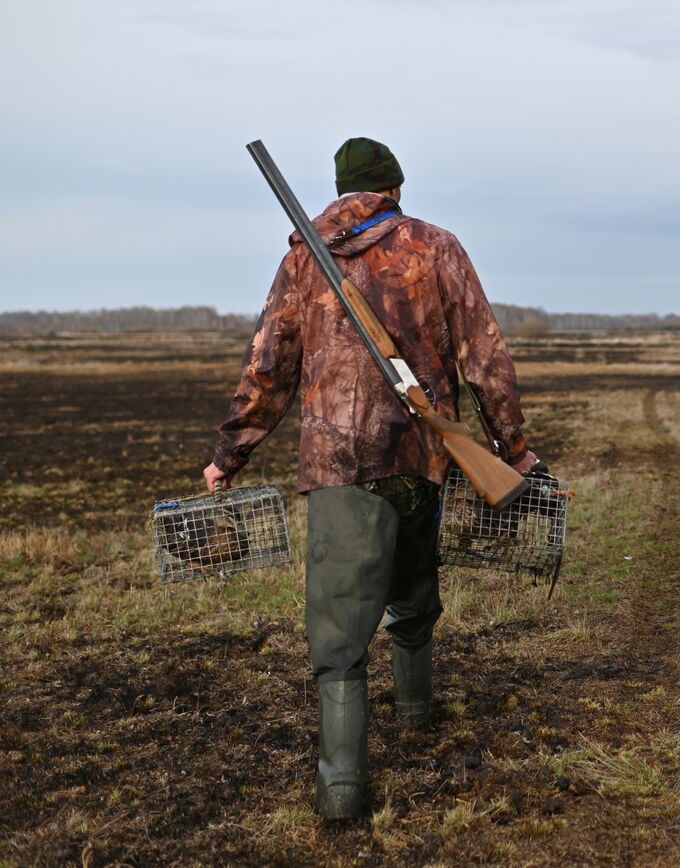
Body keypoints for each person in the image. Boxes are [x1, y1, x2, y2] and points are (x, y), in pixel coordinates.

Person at [202, 137, 541, 820]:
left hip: (340, 463)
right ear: (394, 188)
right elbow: (486, 355)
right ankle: (416, 712)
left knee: (338, 631)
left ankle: (342, 788)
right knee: (414, 590)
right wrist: (514, 448)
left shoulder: (303, 258)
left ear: (339, 190)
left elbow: (268, 368)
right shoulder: (436, 247)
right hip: (425, 458)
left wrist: (229, 455)